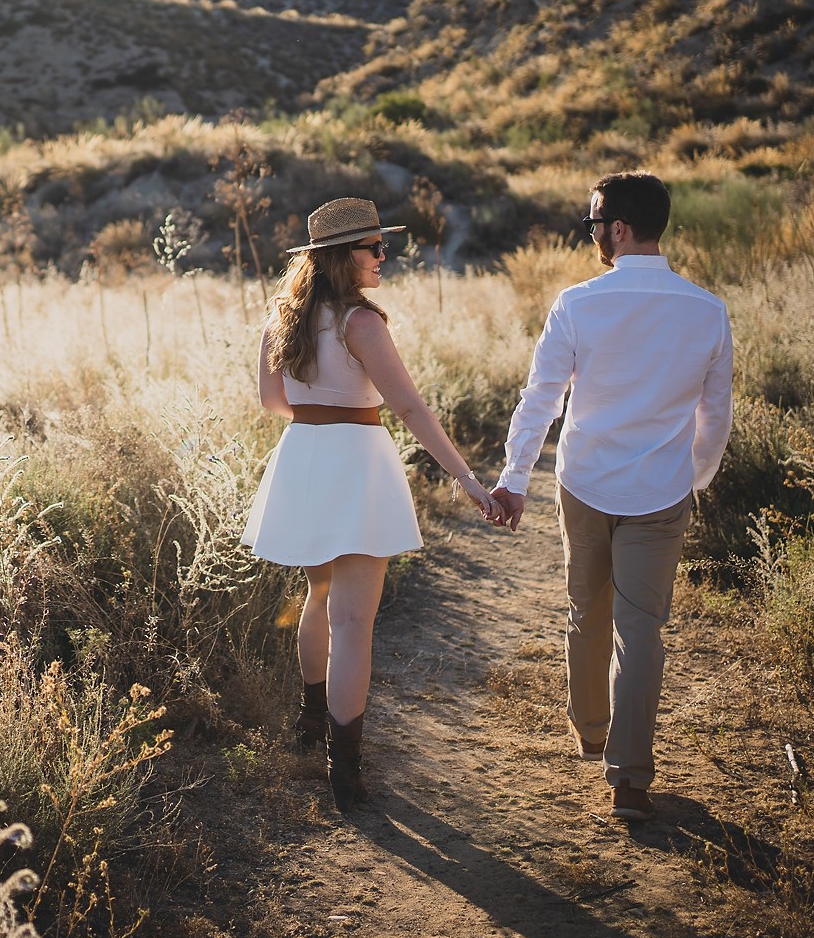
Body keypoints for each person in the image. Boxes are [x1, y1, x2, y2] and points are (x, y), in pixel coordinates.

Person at [488, 171, 733, 822]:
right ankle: (630, 778)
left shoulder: (578, 303)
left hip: (587, 483)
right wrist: (693, 478)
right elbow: (716, 415)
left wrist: (515, 479)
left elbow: (541, 397)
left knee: (585, 611)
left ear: (618, 228)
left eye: (596, 223)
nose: (593, 234)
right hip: (660, 491)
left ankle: (591, 729)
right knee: (642, 631)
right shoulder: (707, 310)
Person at [243, 197, 498, 810]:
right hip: (357, 461)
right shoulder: (361, 323)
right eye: (375, 247)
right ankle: (345, 768)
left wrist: (316, 412)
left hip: (304, 456)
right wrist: (465, 477)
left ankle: (310, 722)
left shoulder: (283, 319)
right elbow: (408, 408)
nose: (385, 256)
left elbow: (271, 403)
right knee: (354, 622)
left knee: (320, 597)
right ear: (342, 255)